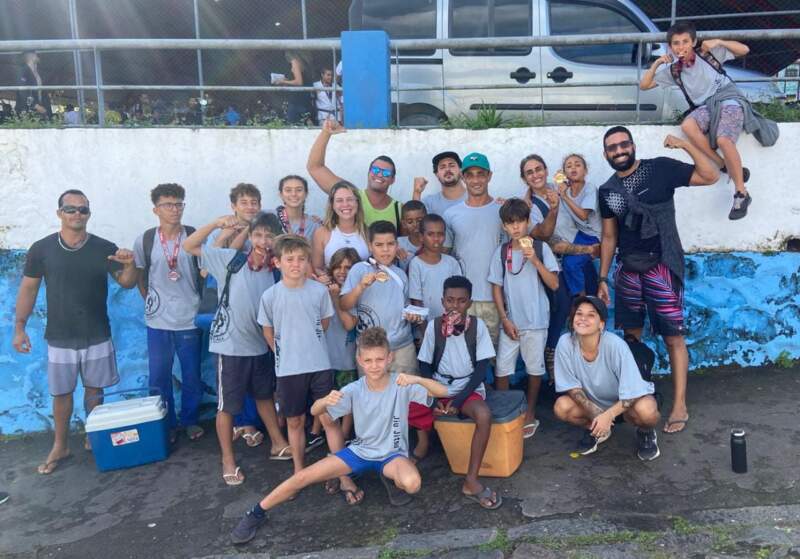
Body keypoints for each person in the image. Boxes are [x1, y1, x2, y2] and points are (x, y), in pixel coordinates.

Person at [230, 327, 448, 545]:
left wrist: (416, 380)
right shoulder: (354, 389)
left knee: (412, 483)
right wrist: (324, 401)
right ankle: (256, 513)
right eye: (368, 360)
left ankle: (387, 477)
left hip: (392, 455)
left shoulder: (401, 384)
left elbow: (443, 392)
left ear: (389, 358)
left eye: (380, 359)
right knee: (302, 477)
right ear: (360, 360)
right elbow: (314, 410)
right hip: (359, 452)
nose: (374, 365)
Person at [597, 125, 719, 435]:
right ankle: (637, 399)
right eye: (612, 147)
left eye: (623, 144)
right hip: (628, 270)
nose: (619, 151)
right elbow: (609, 237)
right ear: (606, 154)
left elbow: (710, 176)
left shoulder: (660, 168)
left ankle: (679, 405)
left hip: (663, 265)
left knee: (673, 337)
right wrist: (603, 277)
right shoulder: (607, 191)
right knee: (631, 338)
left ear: (633, 146)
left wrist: (684, 145)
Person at [13, 189, 138, 474]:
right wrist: (19, 328)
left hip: (97, 331)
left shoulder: (103, 247)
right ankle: (60, 445)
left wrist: (131, 265)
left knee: (95, 390)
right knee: (61, 393)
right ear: (59, 213)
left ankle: (93, 436)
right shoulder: (42, 249)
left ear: (89, 214)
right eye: (70, 209)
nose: (77, 214)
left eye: (83, 209)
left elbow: (127, 282)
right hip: (60, 335)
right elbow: (28, 288)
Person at [183, 213, 292, 485]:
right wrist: (215, 224)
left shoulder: (276, 271)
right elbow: (190, 246)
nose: (263, 242)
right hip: (231, 347)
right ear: (250, 236)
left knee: (264, 396)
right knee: (227, 406)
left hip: (260, 346)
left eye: (269, 236)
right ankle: (228, 460)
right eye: (258, 235)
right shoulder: (231, 260)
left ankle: (278, 444)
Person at [640, 22, 778, 221]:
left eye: (685, 41)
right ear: (670, 47)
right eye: (676, 43)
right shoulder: (673, 70)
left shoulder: (708, 54)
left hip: (729, 98)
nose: (681, 47)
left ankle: (741, 193)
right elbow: (644, 85)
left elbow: (744, 50)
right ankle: (723, 164)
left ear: (694, 42)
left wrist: (719, 42)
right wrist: (657, 64)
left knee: (723, 140)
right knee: (687, 125)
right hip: (707, 107)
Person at [256, 235, 356, 495]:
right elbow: (268, 331)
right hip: (289, 370)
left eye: (301, 259)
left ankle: (343, 475)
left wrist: (308, 345)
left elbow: (324, 323)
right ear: (277, 262)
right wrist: (285, 353)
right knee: (295, 421)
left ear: (308, 262)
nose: (296, 264)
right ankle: (298, 473)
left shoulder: (318, 291)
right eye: (289, 259)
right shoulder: (270, 296)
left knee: (329, 419)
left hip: (319, 366)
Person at [339, 220, 428, 457]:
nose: (386, 250)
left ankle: (420, 441)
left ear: (397, 245)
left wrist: (413, 316)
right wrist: (361, 287)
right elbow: (344, 304)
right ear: (370, 246)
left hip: (402, 345)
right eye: (379, 245)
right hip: (370, 351)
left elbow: (404, 307)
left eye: (390, 244)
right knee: (371, 399)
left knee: (410, 394)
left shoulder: (400, 274)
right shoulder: (359, 270)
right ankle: (373, 446)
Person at [416, 276, 502, 509]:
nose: (455, 306)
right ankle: (416, 452)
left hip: (467, 387)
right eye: (450, 300)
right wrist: (435, 398)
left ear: (470, 303)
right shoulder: (434, 326)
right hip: (438, 385)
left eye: (462, 301)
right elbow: (424, 365)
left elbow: (481, 370)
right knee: (404, 404)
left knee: (483, 415)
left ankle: (471, 480)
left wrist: (459, 400)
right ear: (443, 301)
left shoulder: (477, 326)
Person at [133, 183, 204, 443]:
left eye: (178, 204)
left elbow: (204, 272)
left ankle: (190, 420)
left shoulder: (194, 236)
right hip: (158, 321)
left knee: (192, 373)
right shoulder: (146, 240)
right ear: (156, 209)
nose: (174, 209)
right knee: (159, 375)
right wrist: (151, 302)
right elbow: (141, 275)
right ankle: (166, 423)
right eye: (167, 205)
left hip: (190, 317)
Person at [554, 296, 661, 461]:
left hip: (625, 404)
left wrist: (609, 415)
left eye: (591, 315)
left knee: (647, 411)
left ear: (601, 324)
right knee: (562, 407)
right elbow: (571, 386)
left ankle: (645, 432)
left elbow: (633, 392)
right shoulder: (565, 343)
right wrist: (595, 413)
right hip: (595, 405)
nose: (583, 318)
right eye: (579, 313)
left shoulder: (615, 345)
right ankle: (597, 430)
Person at [489, 198, 560, 438]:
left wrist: (535, 261)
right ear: (504, 226)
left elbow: (554, 283)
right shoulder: (502, 252)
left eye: (520, 221)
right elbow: (496, 287)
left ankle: (530, 413)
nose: (516, 227)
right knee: (502, 369)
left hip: (537, 321)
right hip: (511, 322)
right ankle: (503, 413)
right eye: (510, 223)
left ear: (528, 222)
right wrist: (504, 318)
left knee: (534, 369)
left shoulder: (541, 248)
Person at [207, 183, 266, 447]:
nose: (250, 207)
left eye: (254, 202)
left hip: (256, 304)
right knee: (234, 379)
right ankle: (241, 424)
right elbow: (210, 262)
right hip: (232, 305)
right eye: (244, 202)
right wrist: (236, 232)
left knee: (258, 375)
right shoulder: (224, 229)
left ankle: (250, 422)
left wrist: (254, 231)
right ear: (233, 205)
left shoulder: (263, 229)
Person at [519, 154, 585, 379]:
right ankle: (551, 355)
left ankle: (581, 364)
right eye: (529, 172)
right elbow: (544, 236)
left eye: (539, 169)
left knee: (583, 308)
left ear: (547, 170)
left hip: (579, 261)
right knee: (562, 306)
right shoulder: (527, 207)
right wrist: (587, 249)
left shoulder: (560, 188)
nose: (535, 175)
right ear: (524, 178)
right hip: (555, 263)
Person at [442, 153, 505, 347]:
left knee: (492, 355)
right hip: (462, 300)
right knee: (462, 353)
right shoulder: (451, 214)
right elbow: (444, 256)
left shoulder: (503, 211)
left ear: (489, 176)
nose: (476, 180)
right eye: (470, 175)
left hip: (495, 299)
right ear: (463, 177)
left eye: (481, 174)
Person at [307, 119, 402, 229]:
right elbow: (315, 167)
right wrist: (326, 133)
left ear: (393, 179)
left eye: (386, 173)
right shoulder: (350, 195)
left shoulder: (399, 209)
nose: (380, 175)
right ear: (368, 173)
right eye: (376, 170)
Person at [324, 247, 361, 439]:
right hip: (326, 356)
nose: (342, 271)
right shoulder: (324, 290)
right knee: (327, 395)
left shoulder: (354, 294)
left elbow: (349, 324)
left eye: (348, 267)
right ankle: (323, 432)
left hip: (347, 357)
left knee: (347, 396)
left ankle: (345, 435)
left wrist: (335, 298)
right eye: (338, 267)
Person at [555, 154, 602, 296]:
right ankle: (581, 297)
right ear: (565, 173)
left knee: (571, 263)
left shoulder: (589, 188)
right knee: (566, 260)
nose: (573, 168)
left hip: (594, 237)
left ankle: (582, 299)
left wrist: (564, 196)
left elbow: (583, 215)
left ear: (585, 170)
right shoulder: (565, 191)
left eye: (577, 165)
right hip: (580, 235)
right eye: (568, 166)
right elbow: (541, 191)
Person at [408, 214, 463, 322]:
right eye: (430, 234)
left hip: (450, 324)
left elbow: (459, 295)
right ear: (421, 237)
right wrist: (424, 329)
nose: (436, 239)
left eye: (440, 234)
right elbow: (416, 301)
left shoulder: (452, 263)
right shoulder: (416, 264)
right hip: (425, 325)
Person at [311, 181, 369, 275]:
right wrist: (329, 281)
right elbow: (317, 268)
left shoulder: (368, 232)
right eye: (339, 200)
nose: (345, 204)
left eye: (350, 199)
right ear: (332, 205)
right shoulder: (322, 233)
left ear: (357, 202)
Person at [412, 151, 467, 216]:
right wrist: (417, 193)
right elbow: (416, 219)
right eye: (442, 167)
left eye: (452, 165)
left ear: (461, 170)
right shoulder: (429, 203)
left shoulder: (474, 196)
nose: (447, 169)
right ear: (437, 174)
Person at [269, 175, 320, 243]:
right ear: (281, 194)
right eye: (288, 190)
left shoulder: (314, 225)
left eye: (299, 190)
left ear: (306, 194)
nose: (293, 194)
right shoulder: (267, 217)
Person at [275, 50, 314, 124]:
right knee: (305, 120)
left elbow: (299, 82)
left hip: (297, 100)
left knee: (294, 122)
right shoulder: (302, 64)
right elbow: (299, 80)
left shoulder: (295, 62)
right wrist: (287, 81)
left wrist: (283, 82)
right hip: (303, 98)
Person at [15, 50, 51, 119]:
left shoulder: (38, 72)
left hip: (39, 109)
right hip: (26, 110)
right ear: (31, 56)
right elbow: (22, 91)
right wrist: (35, 105)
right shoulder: (23, 70)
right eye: (36, 55)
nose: (38, 56)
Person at [397, 200, 426, 271]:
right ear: (404, 224)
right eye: (410, 222)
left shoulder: (431, 242)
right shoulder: (398, 243)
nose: (415, 225)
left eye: (419, 220)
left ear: (426, 220)